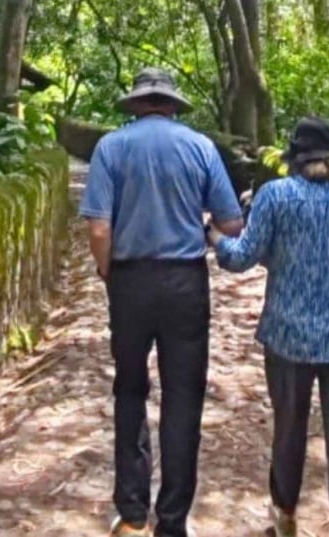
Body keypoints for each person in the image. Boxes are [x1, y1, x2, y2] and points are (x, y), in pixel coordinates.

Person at [208, 116, 329, 537]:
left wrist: (214, 237)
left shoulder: (275, 196)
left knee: (288, 431)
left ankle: (285, 518)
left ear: (294, 158)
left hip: (287, 337)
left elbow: (240, 258)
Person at [80, 67, 245, 537]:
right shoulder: (200, 147)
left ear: (136, 104)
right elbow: (231, 223)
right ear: (173, 105)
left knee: (130, 390)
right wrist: (202, 227)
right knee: (183, 398)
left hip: (130, 282)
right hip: (184, 283)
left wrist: (110, 270)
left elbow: (97, 228)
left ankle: (132, 514)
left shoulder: (110, 147)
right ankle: (172, 521)